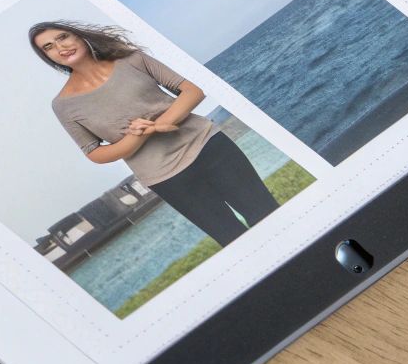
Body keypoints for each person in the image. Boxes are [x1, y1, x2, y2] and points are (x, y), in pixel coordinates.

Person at [30, 20, 278, 246]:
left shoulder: (131, 59)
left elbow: (191, 91)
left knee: (267, 214)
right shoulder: (63, 104)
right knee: (233, 240)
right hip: (166, 179)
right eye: (49, 47)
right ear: (48, 57)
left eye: (63, 37)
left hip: (209, 146)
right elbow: (95, 153)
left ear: (79, 36)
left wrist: (162, 123)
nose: (60, 47)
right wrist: (137, 136)